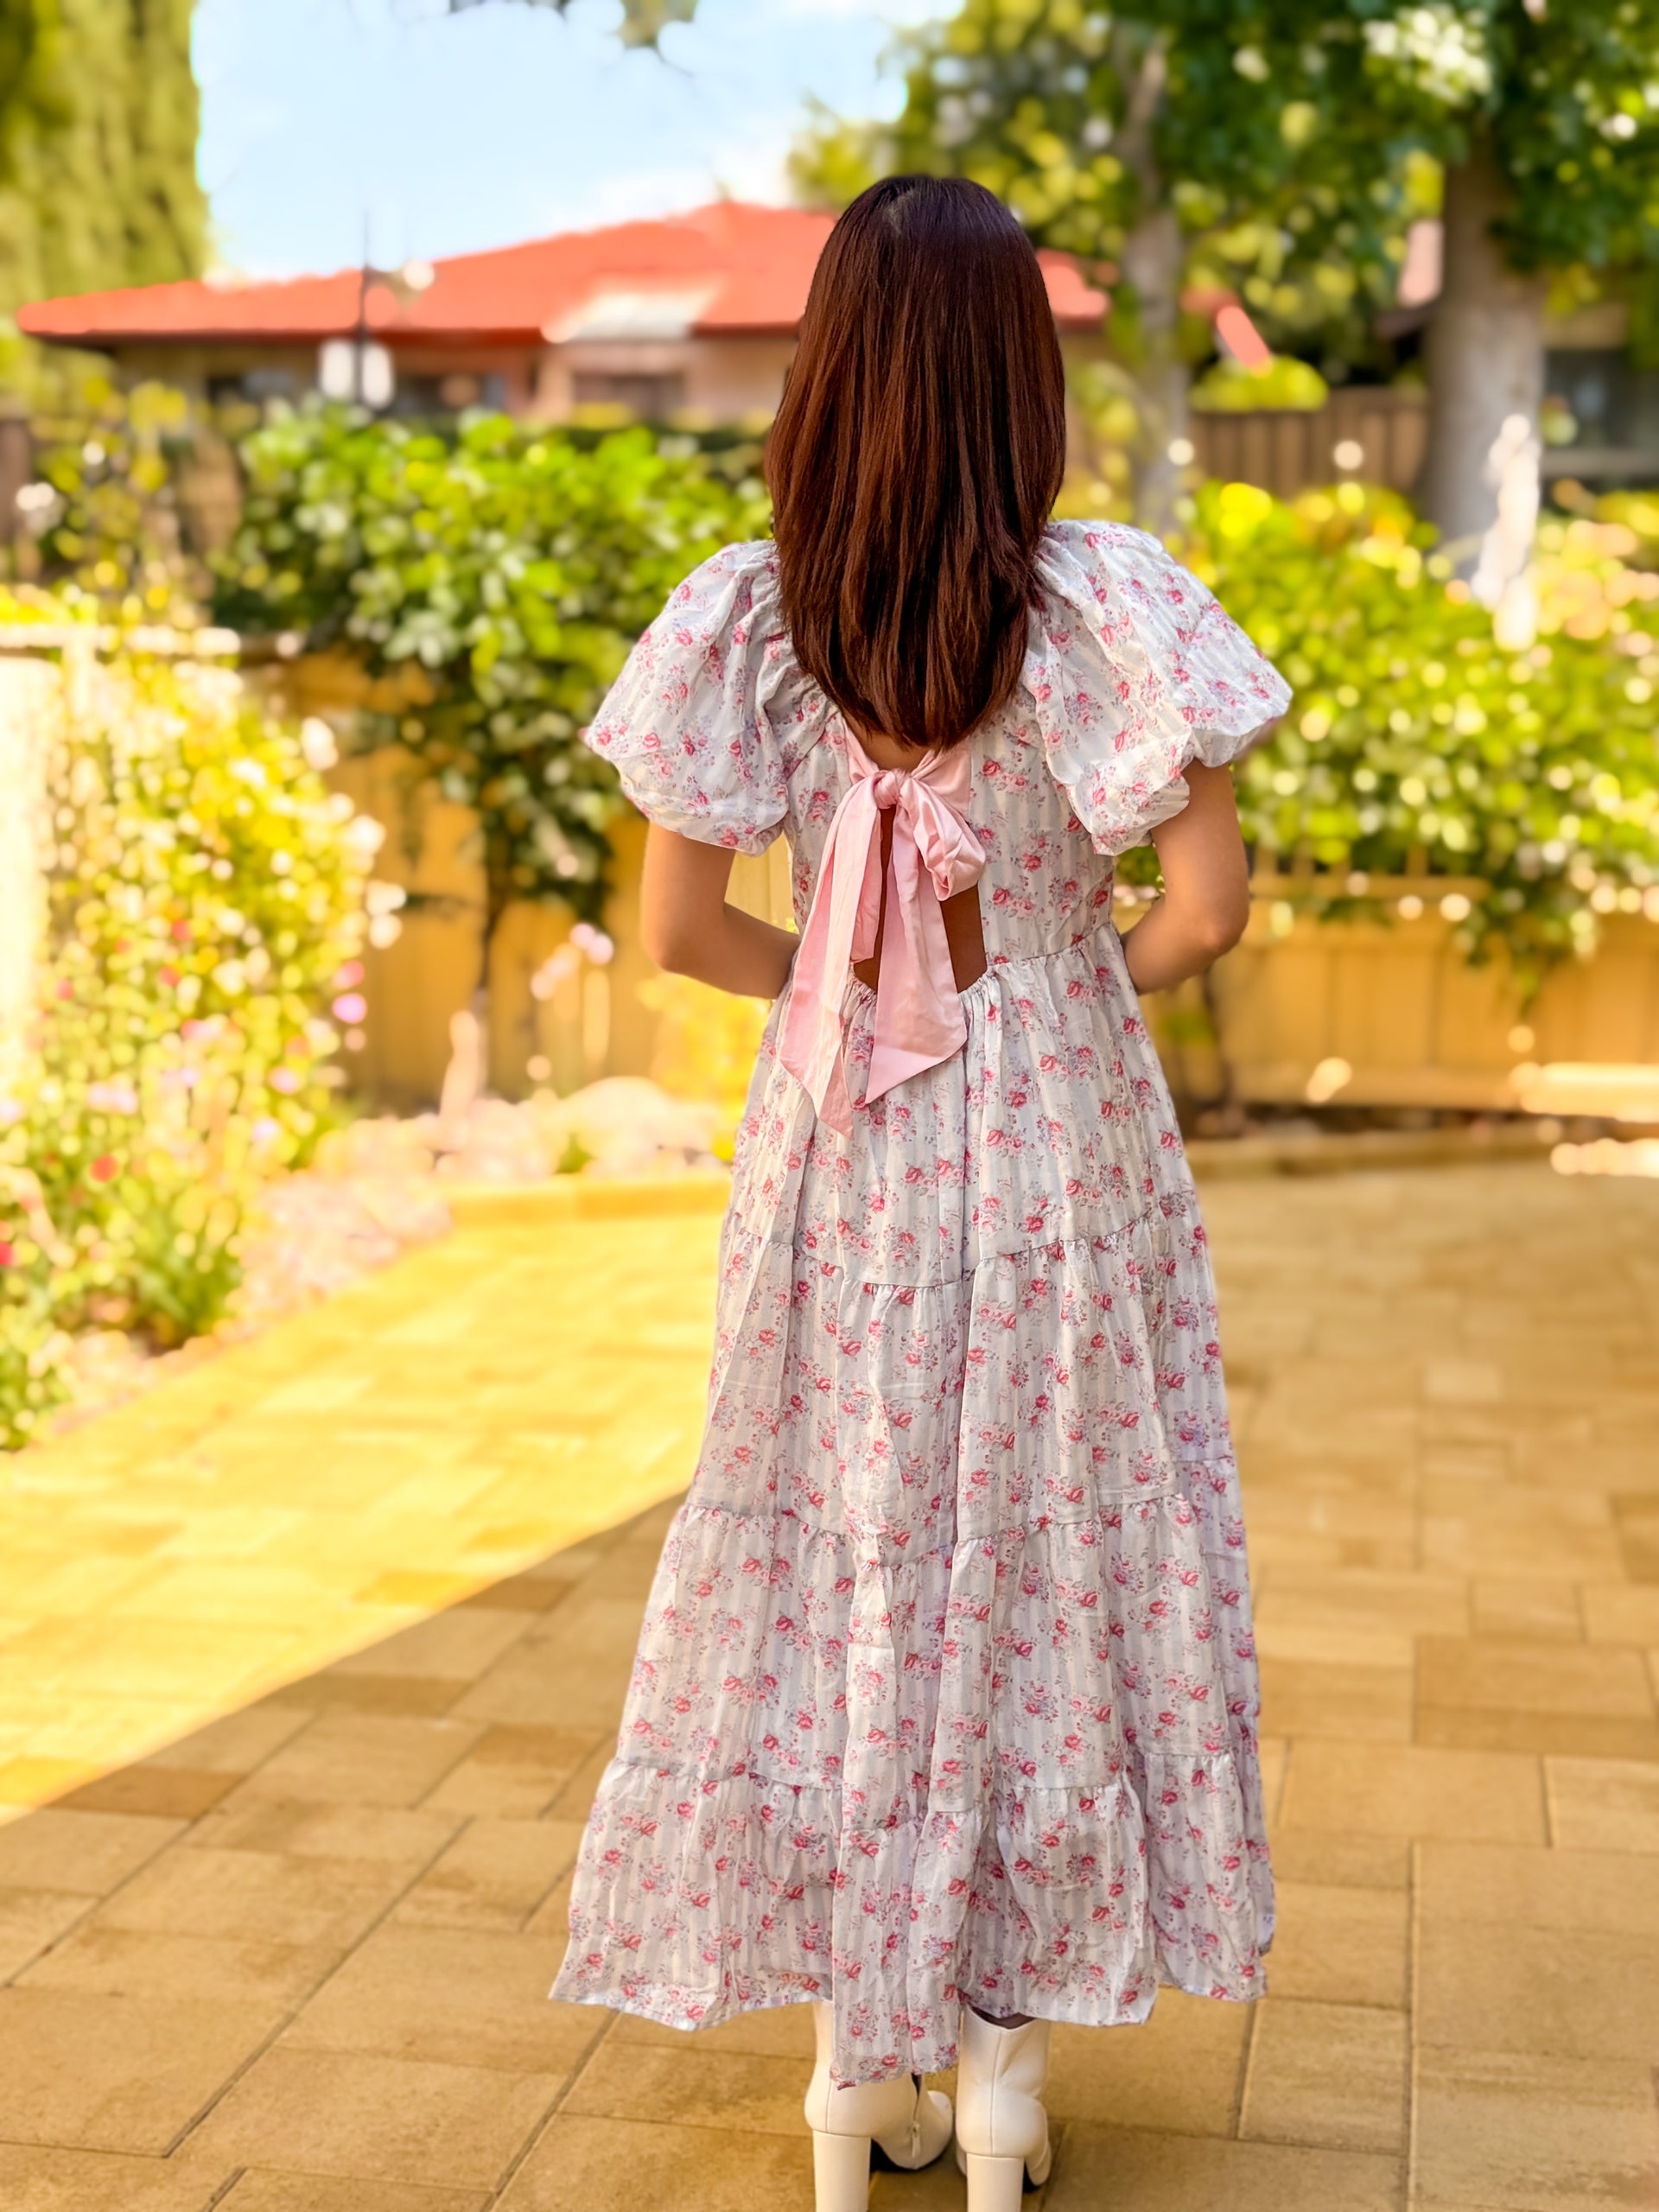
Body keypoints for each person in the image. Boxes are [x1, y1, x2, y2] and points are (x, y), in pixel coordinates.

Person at [551, 174, 1287, 2212]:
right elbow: (1208, 913)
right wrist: (1042, 978)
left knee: (845, 1552)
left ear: (830, 367)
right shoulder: (1109, 601)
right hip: (1056, 1119)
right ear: (1019, 378)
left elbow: (675, 931)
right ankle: (1002, 2078)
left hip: (835, 1135)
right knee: (1041, 1562)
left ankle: (841, 2078)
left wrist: (851, 982)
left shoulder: (743, 618)